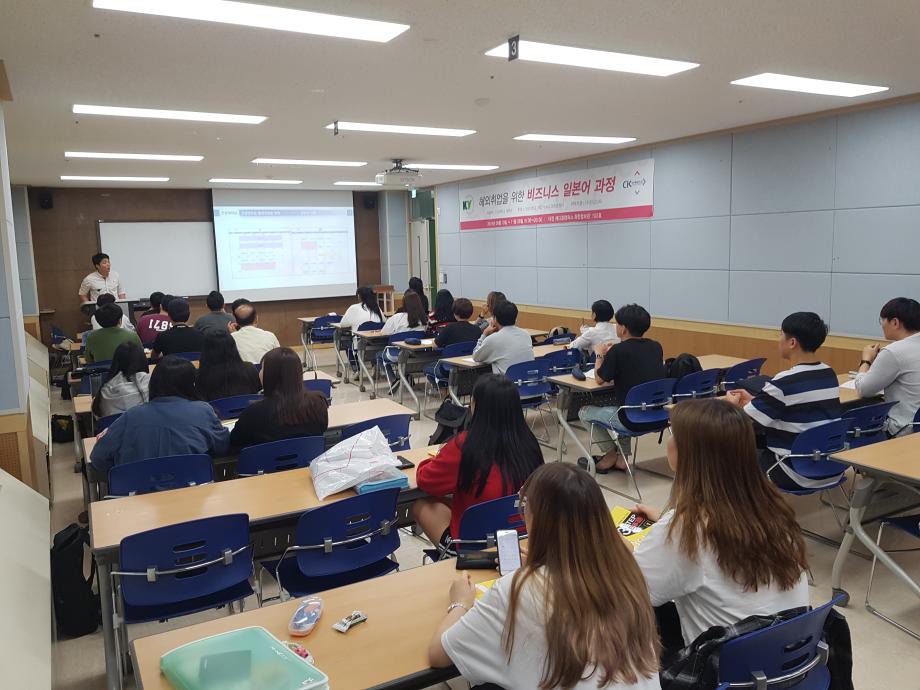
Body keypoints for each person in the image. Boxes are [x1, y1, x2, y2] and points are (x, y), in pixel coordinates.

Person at [429, 463, 660, 690]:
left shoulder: (518, 588)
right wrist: (543, 566)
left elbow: (439, 654)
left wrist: (460, 603)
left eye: (524, 507)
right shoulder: (627, 572)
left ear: (537, 518)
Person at [633, 399, 810, 647]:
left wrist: (612, 540)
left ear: (692, 453)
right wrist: (665, 521)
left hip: (725, 665)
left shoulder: (687, 528)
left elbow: (631, 587)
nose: (669, 442)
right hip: (788, 657)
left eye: (673, 433)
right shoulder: (771, 507)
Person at [413, 375, 544, 548]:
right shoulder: (530, 443)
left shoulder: (466, 446)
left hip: (475, 547)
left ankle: (450, 555)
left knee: (422, 505)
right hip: (525, 540)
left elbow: (426, 481)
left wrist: (436, 458)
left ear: (475, 406)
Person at [726, 311, 840, 490]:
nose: (778, 339)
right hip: (831, 465)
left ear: (792, 342)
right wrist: (757, 401)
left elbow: (741, 422)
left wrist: (732, 406)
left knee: (724, 449)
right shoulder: (828, 373)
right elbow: (799, 407)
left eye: (780, 334)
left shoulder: (785, 381)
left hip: (792, 469)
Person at [90, 356, 230, 473]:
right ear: (192, 384)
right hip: (194, 488)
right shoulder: (203, 411)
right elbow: (222, 446)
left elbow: (98, 458)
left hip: (138, 492)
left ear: (153, 383)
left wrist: (123, 470)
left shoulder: (131, 416)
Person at [577, 304, 664, 473]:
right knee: (625, 404)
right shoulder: (656, 346)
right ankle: (623, 459)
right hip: (657, 415)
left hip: (631, 420)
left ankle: (609, 454)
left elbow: (599, 379)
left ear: (623, 329)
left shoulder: (618, 351)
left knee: (584, 412)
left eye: (617, 324)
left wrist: (600, 354)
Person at [230, 347, 329, 448]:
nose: (259, 372)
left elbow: (235, 443)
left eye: (262, 368)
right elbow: (322, 429)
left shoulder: (253, 412)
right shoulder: (318, 402)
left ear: (269, 375)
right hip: (309, 457)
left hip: (266, 458)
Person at [854, 297, 920, 436]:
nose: (882, 325)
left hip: (903, 430)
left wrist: (866, 360)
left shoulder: (893, 351)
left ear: (895, 322)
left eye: (882, 320)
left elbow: (863, 390)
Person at [196, 331, 262, 402]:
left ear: (205, 351)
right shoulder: (250, 369)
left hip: (217, 409)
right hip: (249, 408)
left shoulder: (201, 376)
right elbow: (258, 394)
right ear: (234, 347)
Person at [471, 300, 532, 375]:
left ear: (495, 319)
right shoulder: (526, 334)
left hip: (506, 381)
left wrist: (484, 334)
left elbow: (476, 357)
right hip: (526, 379)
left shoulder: (493, 339)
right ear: (515, 318)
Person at [90, 341, 150, 418]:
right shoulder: (150, 385)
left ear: (115, 362)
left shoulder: (104, 391)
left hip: (113, 425)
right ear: (143, 360)